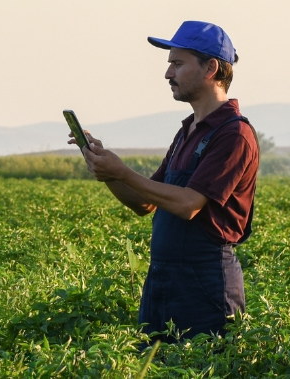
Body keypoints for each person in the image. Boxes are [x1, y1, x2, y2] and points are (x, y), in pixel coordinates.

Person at [70, 20, 259, 341]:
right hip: (163, 279)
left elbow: (188, 205)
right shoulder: (187, 131)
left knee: (201, 367)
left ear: (211, 67)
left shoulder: (234, 133)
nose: (168, 74)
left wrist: (123, 172)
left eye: (177, 63)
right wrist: (106, 172)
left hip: (206, 282)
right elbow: (144, 203)